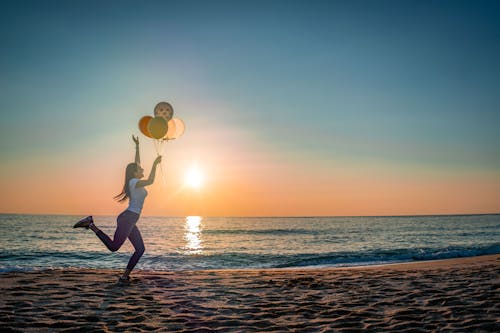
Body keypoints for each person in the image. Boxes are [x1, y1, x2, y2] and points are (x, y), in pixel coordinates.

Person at [73, 135, 162, 284]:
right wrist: (155, 164)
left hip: (130, 219)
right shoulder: (134, 182)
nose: (142, 168)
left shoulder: (133, 180)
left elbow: (136, 163)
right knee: (114, 247)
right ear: (135, 172)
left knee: (140, 249)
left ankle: (124, 277)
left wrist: (138, 146)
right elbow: (152, 180)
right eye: (140, 169)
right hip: (128, 218)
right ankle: (90, 224)